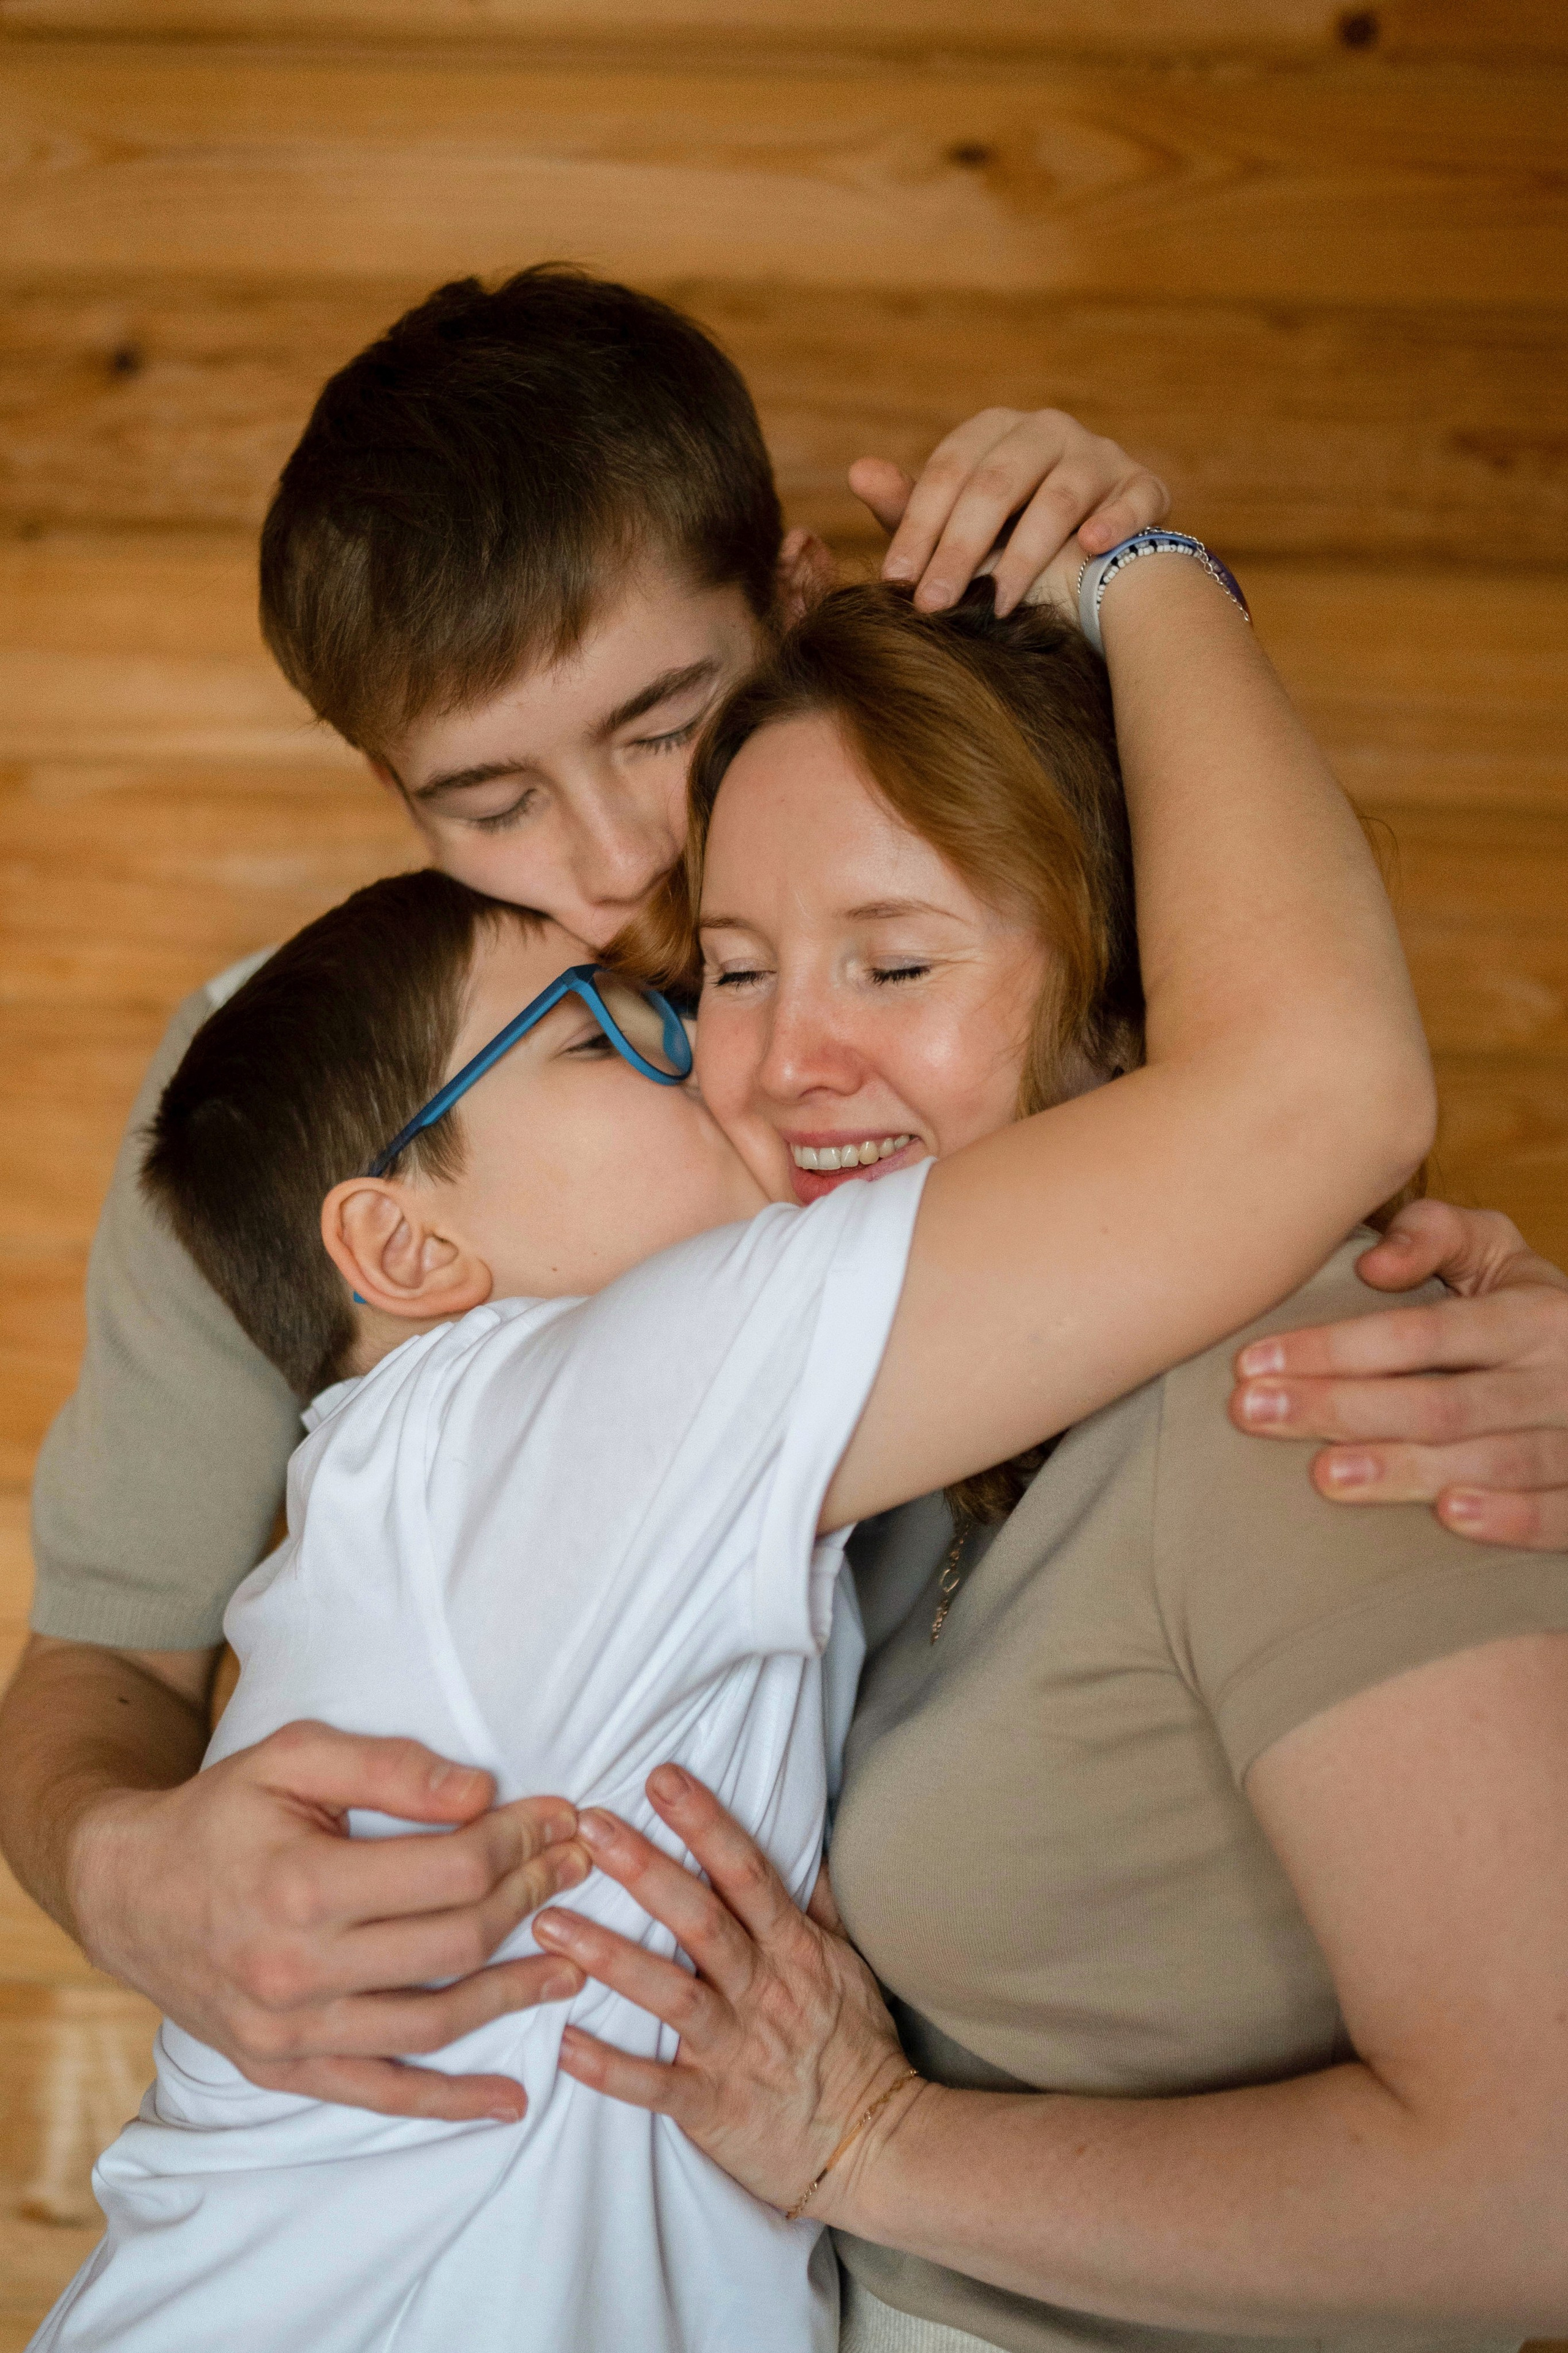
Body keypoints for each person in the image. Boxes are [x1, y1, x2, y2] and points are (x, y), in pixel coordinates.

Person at [2, 268, 1564, 2129]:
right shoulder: (310, 1097)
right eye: (489, 803)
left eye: (665, 721)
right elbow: (101, 1654)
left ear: (798, 597)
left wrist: (1447, 1313)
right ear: (383, 789)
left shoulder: (1010, 855)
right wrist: (121, 1867)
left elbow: (1290, 1135)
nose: (616, 856)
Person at [32, 524, 1430, 2349]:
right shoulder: (596, 1389)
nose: (710, 1047)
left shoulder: (463, 1452)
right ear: (405, 1241)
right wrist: (1148, 565)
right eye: (605, 1043)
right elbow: (1314, 1096)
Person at [527, 581, 1568, 2352]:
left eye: (899, 960)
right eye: (740, 969)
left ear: (1124, 989)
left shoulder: (1303, 1388)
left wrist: (873, 2140)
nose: (784, 1064)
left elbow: (1536, 2190)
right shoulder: (903, 1399)